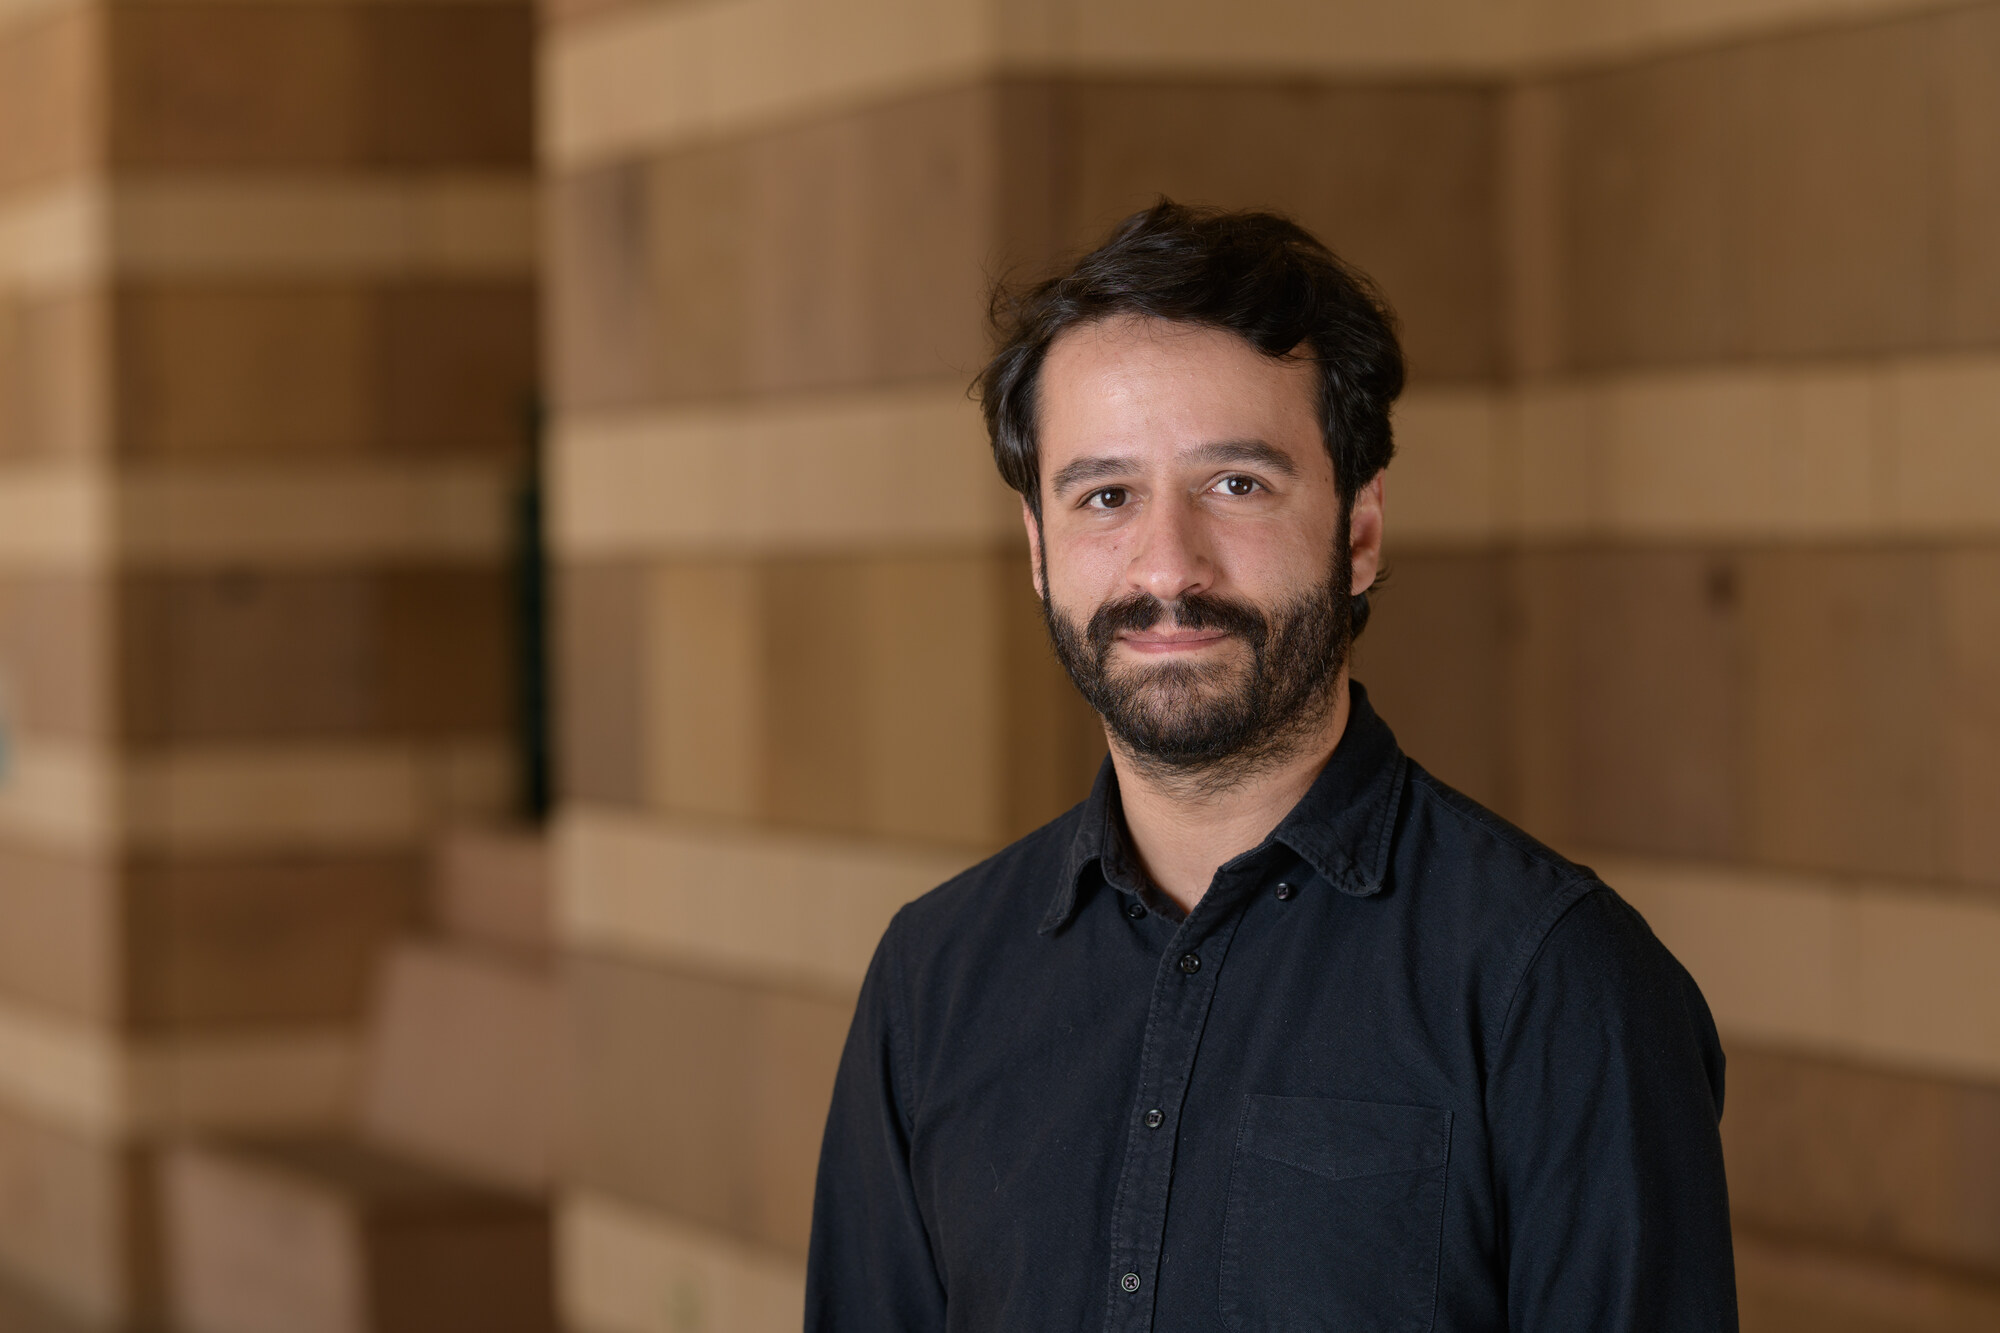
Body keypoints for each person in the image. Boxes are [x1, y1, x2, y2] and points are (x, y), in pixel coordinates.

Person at [805, 200, 1736, 1332]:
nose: (1166, 565)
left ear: (1358, 531)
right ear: (1039, 552)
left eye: (1235, 484)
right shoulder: (931, 979)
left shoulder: (1555, 983)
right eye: (1104, 496)